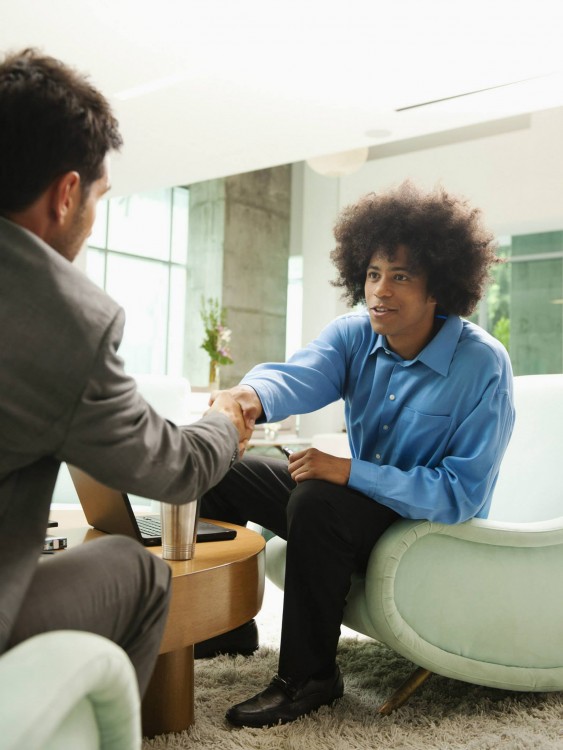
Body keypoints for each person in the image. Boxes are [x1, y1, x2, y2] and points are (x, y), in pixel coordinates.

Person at [201, 180, 515, 727]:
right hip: (354, 506)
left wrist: (349, 472)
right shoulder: (354, 335)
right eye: (372, 274)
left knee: (318, 501)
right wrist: (243, 398)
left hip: (427, 530)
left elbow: (461, 494)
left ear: (439, 286)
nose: (380, 291)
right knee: (221, 469)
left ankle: (311, 676)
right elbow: (297, 377)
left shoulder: (482, 365)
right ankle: (226, 629)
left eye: (400, 276)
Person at [0, 48, 250, 697]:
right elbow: (176, 470)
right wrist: (223, 422)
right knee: (135, 570)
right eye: (98, 198)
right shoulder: (63, 318)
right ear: (66, 194)